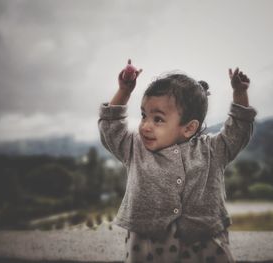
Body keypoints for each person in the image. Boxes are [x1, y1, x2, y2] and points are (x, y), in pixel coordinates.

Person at [98, 59, 257, 263]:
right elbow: (111, 128)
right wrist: (124, 92)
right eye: (144, 115)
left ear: (189, 128)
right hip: (148, 243)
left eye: (158, 119)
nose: (145, 126)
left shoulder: (212, 150)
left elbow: (238, 132)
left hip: (205, 240)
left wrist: (240, 95)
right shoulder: (135, 148)